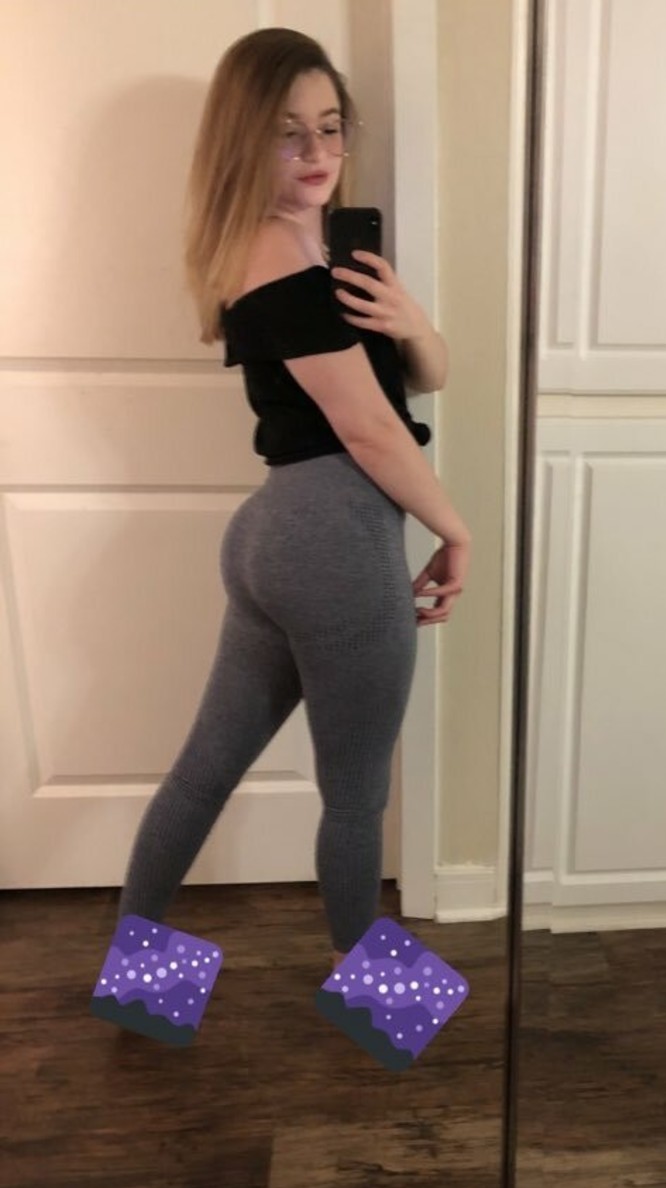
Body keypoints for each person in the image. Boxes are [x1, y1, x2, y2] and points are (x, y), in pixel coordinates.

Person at [117, 29, 470, 970]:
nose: (317, 152)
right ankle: (385, 1011)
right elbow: (372, 431)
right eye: (287, 133)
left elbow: (427, 379)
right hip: (334, 543)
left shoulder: (312, 248)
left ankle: (140, 988)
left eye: (330, 125)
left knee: (205, 771)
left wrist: (409, 319)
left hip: (278, 535)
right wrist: (456, 528)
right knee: (355, 798)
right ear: (244, 139)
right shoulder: (280, 254)